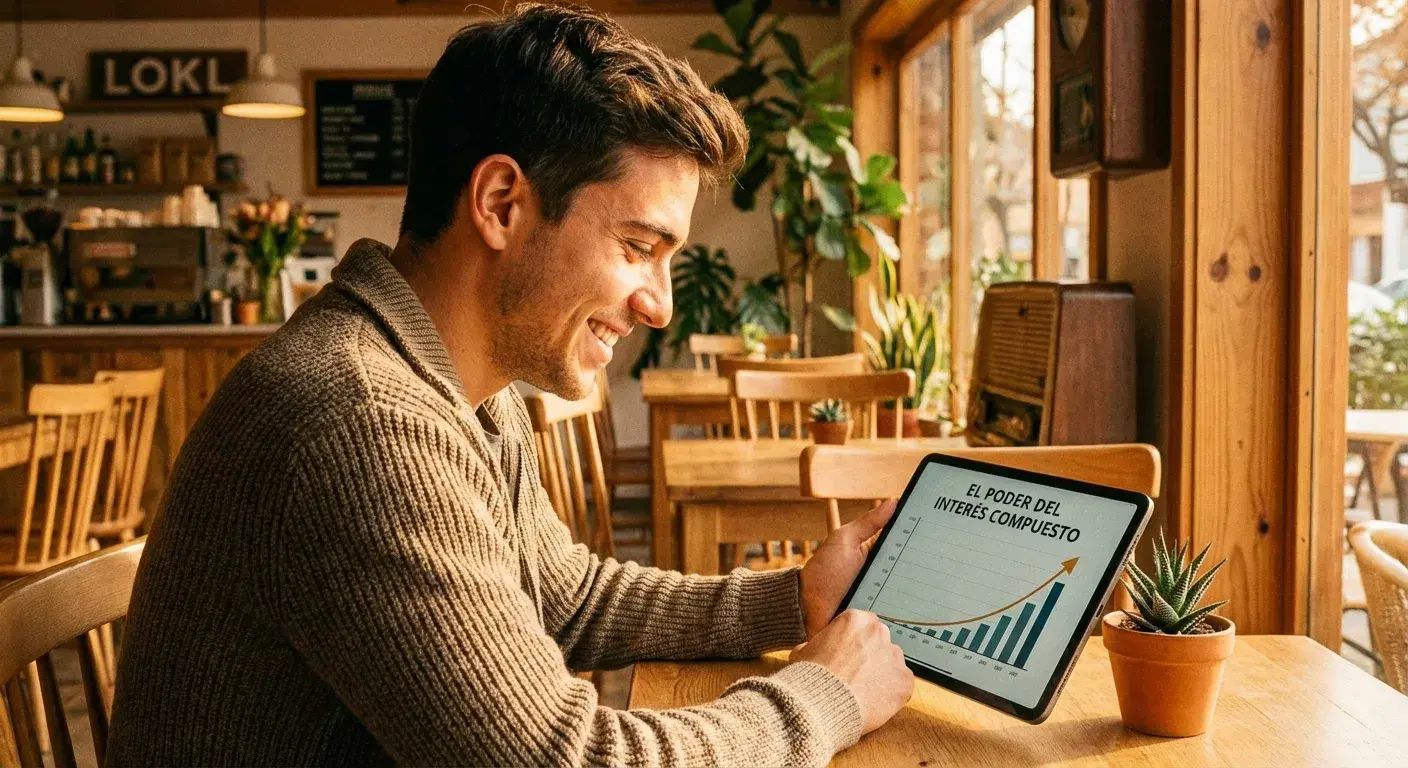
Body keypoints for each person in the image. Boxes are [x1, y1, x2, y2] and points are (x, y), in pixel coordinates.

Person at [106, 4, 913, 765]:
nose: (660, 305)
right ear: (500, 203)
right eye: (638, 245)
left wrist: (794, 599)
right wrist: (824, 694)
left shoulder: (465, 387)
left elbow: (566, 597)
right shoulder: (360, 420)